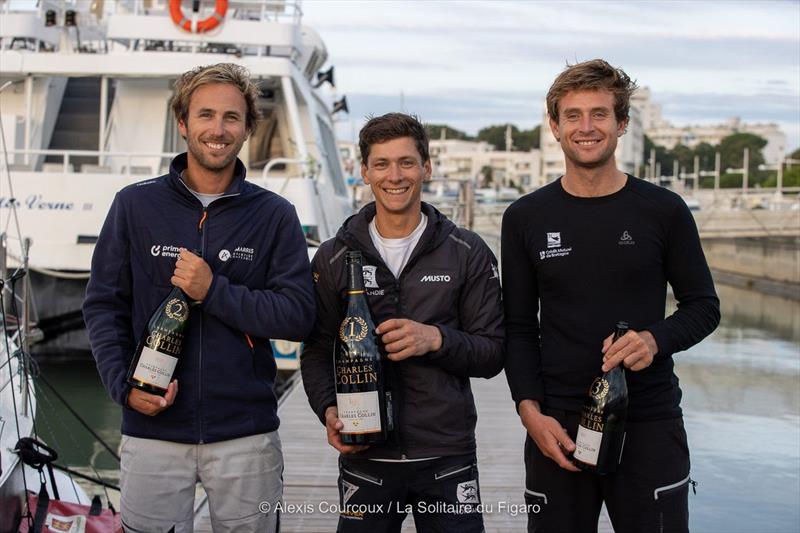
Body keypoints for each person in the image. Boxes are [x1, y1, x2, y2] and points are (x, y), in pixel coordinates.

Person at [83, 63, 315, 533]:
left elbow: (297, 316)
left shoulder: (275, 215)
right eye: (205, 115)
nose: (218, 129)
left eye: (232, 117)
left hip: (245, 434)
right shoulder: (135, 204)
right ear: (183, 122)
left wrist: (214, 290)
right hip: (152, 431)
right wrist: (121, 387)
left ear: (249, 127)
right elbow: (103, 305)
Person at [502, 59, 720, 533]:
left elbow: (704, 307)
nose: (586, 127)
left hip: (648, 422)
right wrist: (528, 411)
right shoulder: (525, 216)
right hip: (558, 425)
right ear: (555, 126)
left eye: (600, 114)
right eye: (573, 115)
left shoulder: (664, 210)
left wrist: (654, 340)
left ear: (622, 124)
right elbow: (518, 326)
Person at [301, 112, 504, 532]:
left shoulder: (466, 251)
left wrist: (436, 339)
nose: (395, 176)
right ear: (364, 172)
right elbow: (318, 349)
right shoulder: (334, 256)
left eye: (407, 162)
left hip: (446, 455)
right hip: (365, 455)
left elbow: (492, 353)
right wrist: (327, 408)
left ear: (426, 167)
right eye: (381, 164)